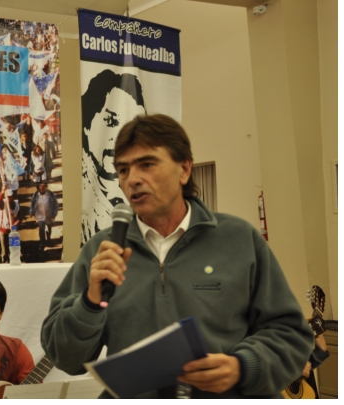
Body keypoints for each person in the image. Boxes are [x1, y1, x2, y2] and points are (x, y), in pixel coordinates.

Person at [41, 114, 313, 398]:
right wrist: (89, 303)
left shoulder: (239, 239)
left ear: (184, 169)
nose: (133, 179)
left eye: (147, 164)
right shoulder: (101, 252)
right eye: (123, 170)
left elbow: (291, 336)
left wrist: (243, 367)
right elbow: (64, 359)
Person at [80, 69, 146, 245]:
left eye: (132, 128)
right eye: (111, 121)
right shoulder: (92, 247)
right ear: (87, 127)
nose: (120, 138)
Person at [30, 181, 58, 252]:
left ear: (46, 187)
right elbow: (32, 203)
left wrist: (54, 213)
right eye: (40, 186)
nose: (41, 188)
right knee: (41, 229)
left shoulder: (51, 194)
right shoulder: (35, 195)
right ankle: (42, 243)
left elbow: (56, 204)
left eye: (43, 186)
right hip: (40, 215)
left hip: (48, 215)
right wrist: (31, 212)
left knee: (48, 228)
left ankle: (48, 238)